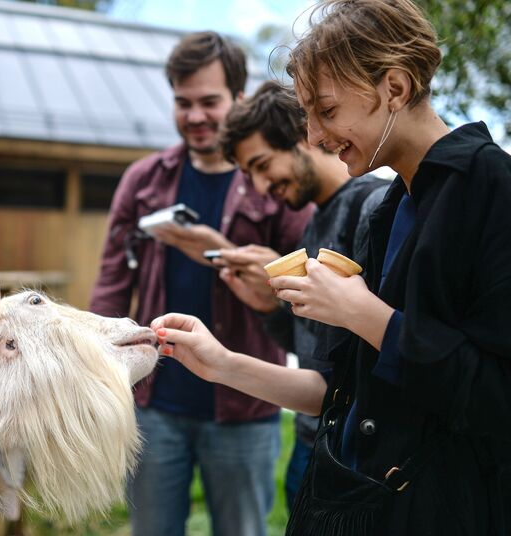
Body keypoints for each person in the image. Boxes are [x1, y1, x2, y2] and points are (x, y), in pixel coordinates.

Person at [151, 1, 511, 534]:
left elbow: (496, 399)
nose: (316, 136)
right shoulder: (388, 209)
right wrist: (220, 362)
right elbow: (333, 391)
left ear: (394, 86)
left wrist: (364, 314)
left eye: (326, 111)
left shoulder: (493, 190)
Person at [89, 31, 312, 536]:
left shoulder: (273, 176)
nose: (195, 116)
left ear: (238, 98)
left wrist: (224, 254)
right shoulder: (143, 180)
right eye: (183, 103)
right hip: (153, 404)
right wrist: (101, 375)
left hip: (245, 405)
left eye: (209, 101)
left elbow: (310, 275)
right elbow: (109, 286)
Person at [215, 80, 388, 510]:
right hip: (312, 443)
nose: (259, 187)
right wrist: (269, 307)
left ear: (302, 136)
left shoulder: (374, 208)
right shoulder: (313, 224)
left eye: (261, 164)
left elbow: (367, 357)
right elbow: (313, 353)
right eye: (248, 175)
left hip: (353, 456)